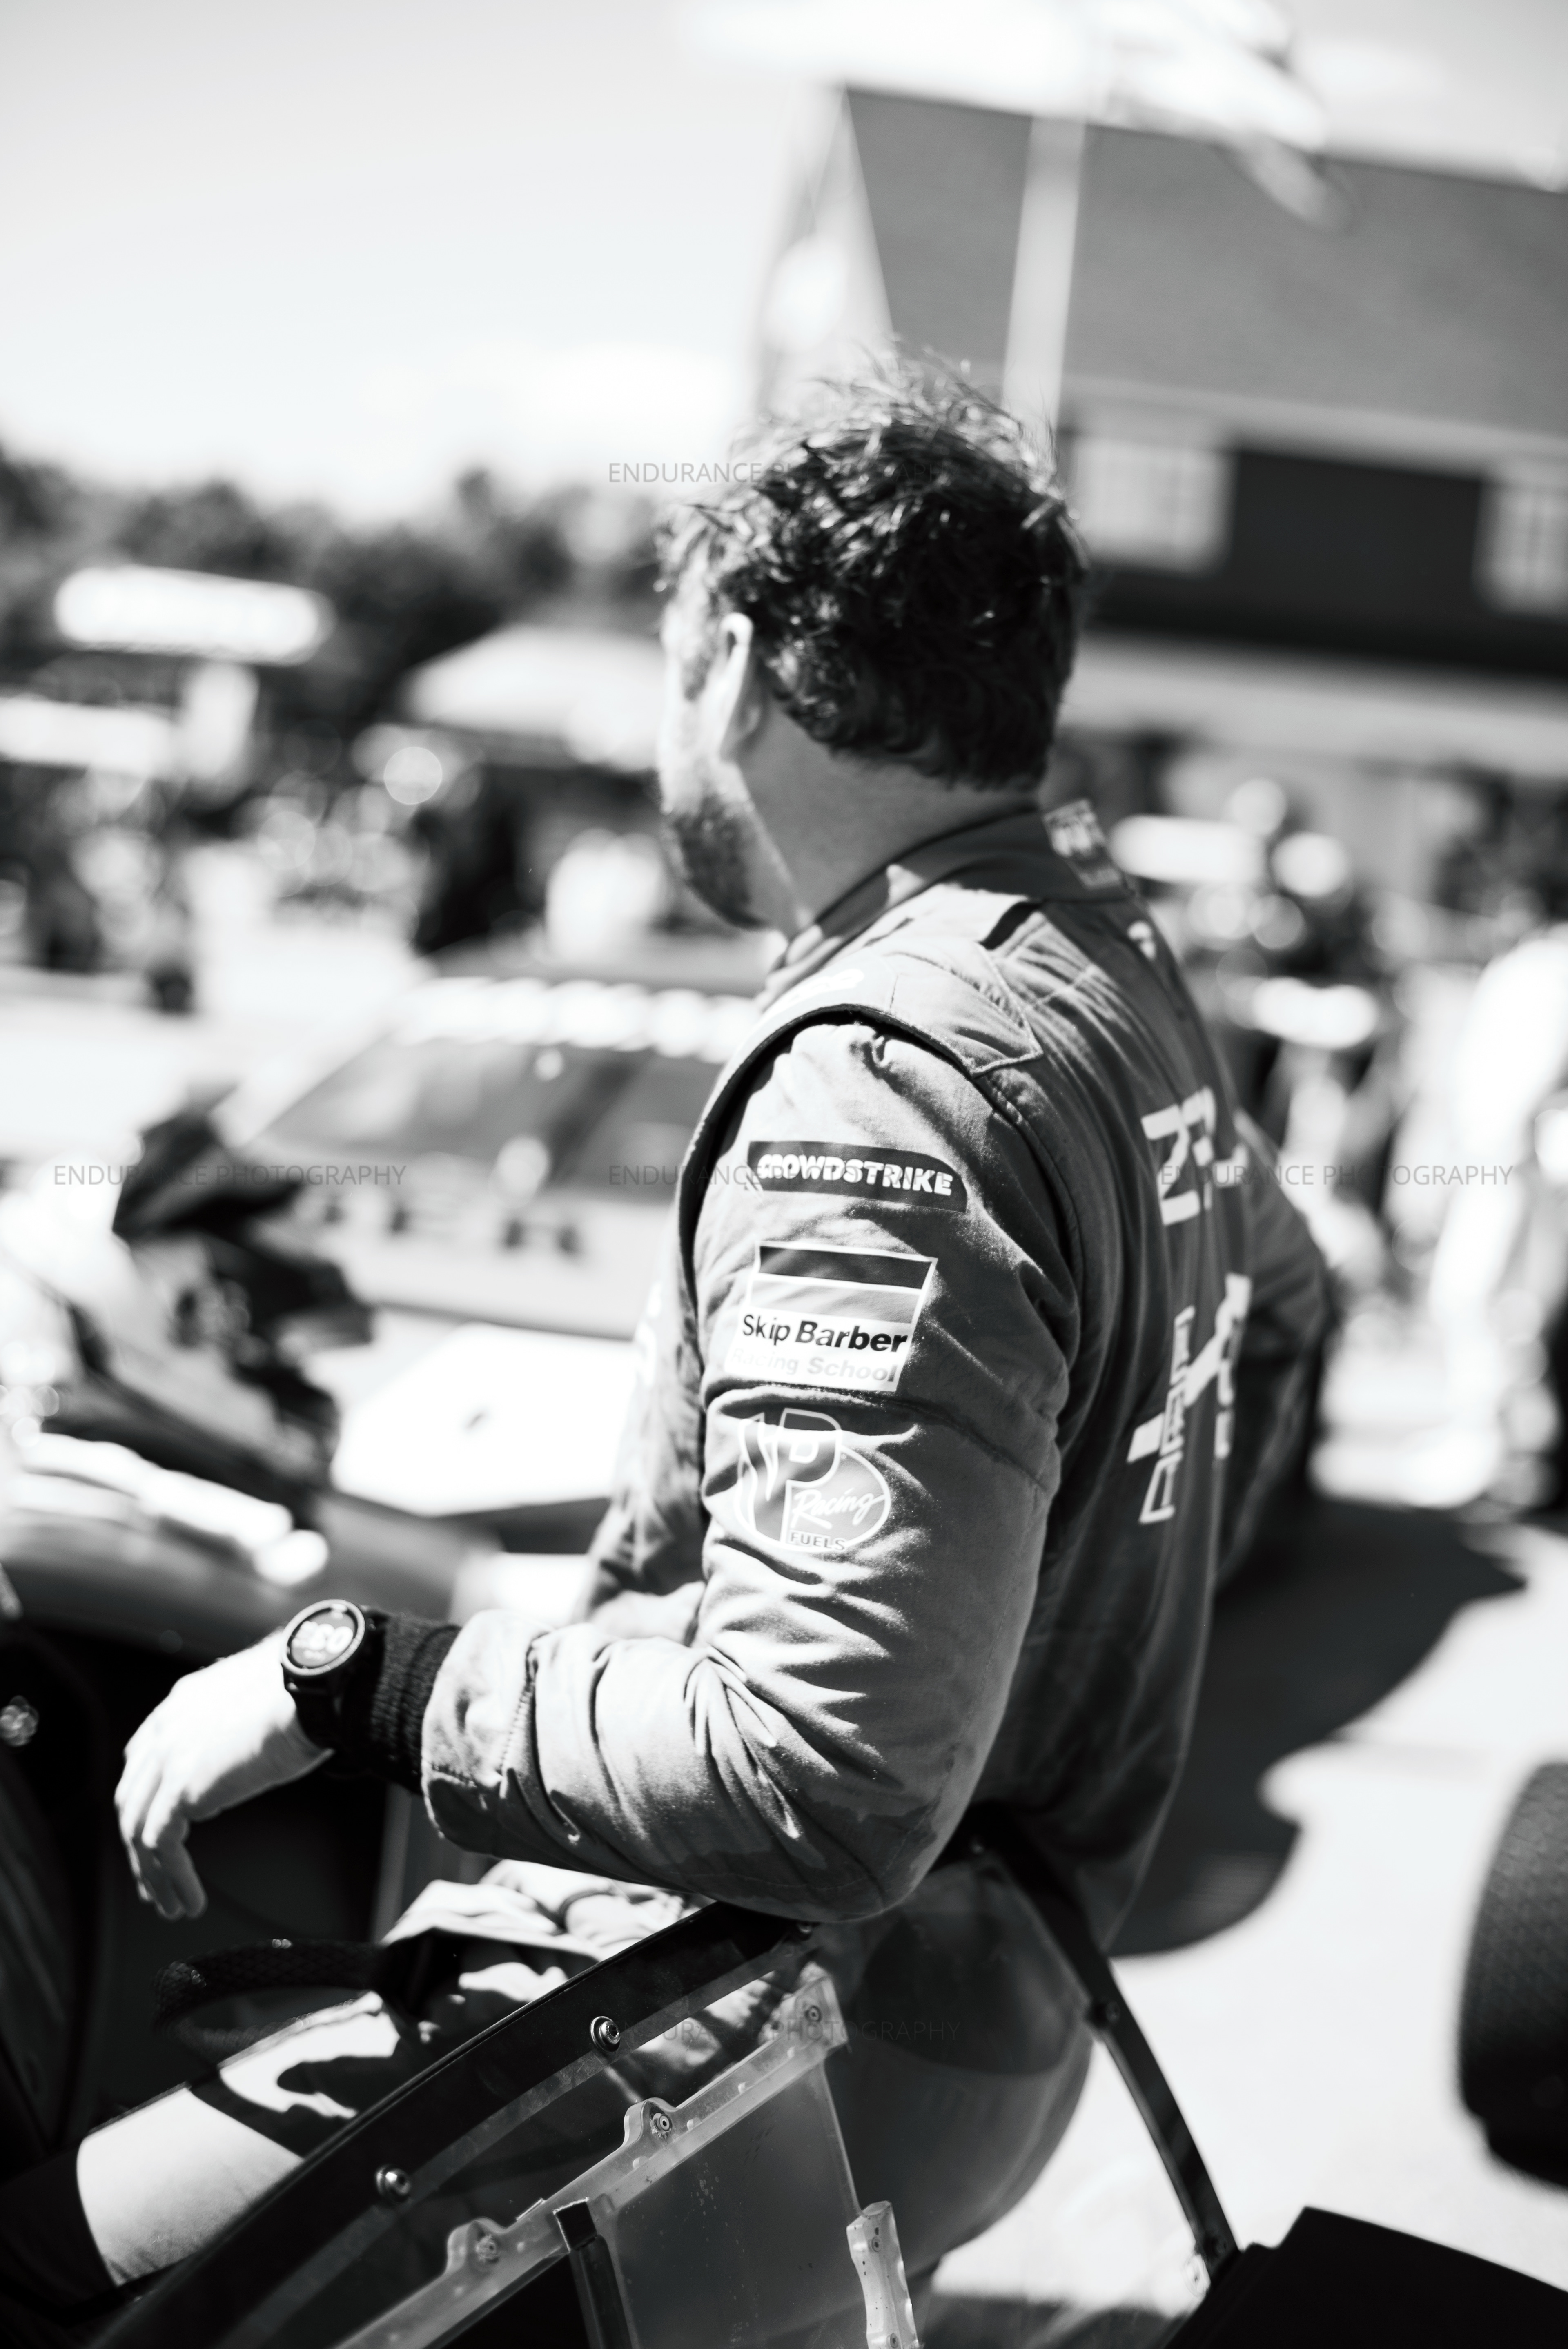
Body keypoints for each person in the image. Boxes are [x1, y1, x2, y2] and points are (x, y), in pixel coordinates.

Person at [1, 361, 1327, 2331]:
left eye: (665, 666)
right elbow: (1284, 1317)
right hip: (985, 2014)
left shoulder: (884, 1074)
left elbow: (830, 1770)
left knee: (35, 2274)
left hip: (747, 2034)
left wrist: (360, 1682)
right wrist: (1042, 1655)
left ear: (736, 662)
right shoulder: (1106, 966)